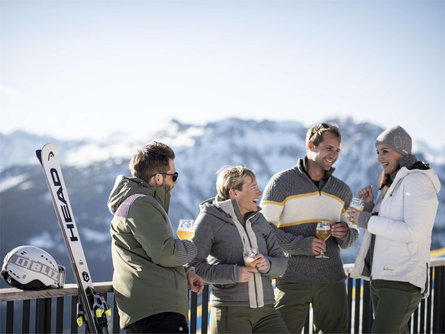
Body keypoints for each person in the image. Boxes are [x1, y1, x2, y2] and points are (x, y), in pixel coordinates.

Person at [260, 122, 359, 333]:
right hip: (291, 278)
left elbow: (350, 239)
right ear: (311, 146)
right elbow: (263, 230)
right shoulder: (281, 183)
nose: (333, 155)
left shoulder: (342, 190)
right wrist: (302, 245)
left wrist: (345, 233)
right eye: (328, 148)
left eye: (337, 150)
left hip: (331, 281)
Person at [349, 125, 440, 333]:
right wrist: (371, 207)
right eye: (378, 152)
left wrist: (364, 219)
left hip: (401, 280)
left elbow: (412, 231)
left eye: (385, 151)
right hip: (383, 278)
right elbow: (385, 225)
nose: (379, 158)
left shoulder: (417, 180)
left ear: (402, 151)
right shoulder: (393, 182)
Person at [107, 141, 204, 333]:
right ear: (158, 178)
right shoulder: (142, 204)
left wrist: (185, 273)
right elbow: (165, 254)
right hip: (158, 311)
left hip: (151, 308)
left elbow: (149, 255)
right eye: (173, 176)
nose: (176, 182)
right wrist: (192, 247)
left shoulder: (139, 202)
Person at [190, 166, 289, 334]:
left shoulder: (260, 219)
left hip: (267, 310)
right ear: (234, 192)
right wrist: (234, 273)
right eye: (253, 188)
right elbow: (194, 268)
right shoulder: (209, 219)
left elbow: (281, 262)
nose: (259, 193)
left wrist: (267, 264)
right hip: (230, 310)